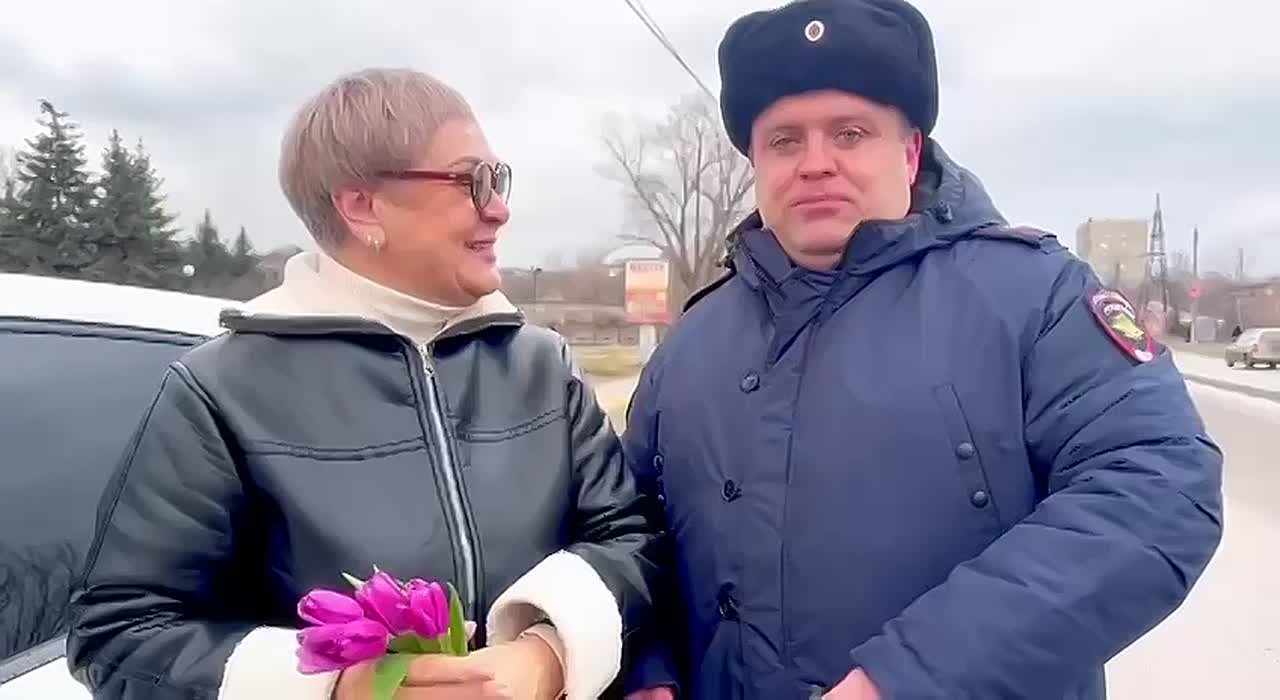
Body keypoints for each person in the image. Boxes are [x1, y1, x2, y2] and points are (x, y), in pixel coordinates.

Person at [621, 1, 1224, 699]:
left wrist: (905, 678)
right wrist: (646, 664)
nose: (816, 164)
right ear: (756, 162)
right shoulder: (692, 343)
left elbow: (1157, 486)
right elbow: (628, 529)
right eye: (785, 141)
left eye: (850, 133)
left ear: (910, 153)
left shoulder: (1033, 297)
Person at [66, 67, 663, 700]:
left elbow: (631, 541)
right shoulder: (220, 391)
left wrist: (547, 651)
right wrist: (341, 686)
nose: (499, 207)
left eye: (498, 178)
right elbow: (120, 634)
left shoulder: (541, 366)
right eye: (472, 182)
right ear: (361, 207)